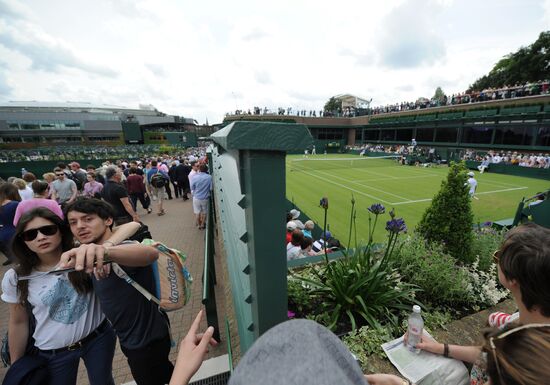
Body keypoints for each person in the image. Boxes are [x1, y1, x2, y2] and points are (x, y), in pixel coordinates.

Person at [63, 197, 174, 385]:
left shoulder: (121, 249)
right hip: (132, 338)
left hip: (145, 340)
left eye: (88, 219)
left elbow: (148, 253)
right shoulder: (88, 251)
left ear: (107, 220)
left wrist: (107, 252)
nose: (79, 226)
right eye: (73, 222)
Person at [1, 208, 117, 385]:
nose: (40, 237)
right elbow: (18, 321)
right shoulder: (16, 277)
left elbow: (130, 227)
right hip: (53, 351)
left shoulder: (84, 255)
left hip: (97, 339)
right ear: (23, 241)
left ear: (61, 231)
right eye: (30, 235)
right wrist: (17, 365)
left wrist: (106, 248)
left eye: (48, 230)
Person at [0, 183, 21, 265]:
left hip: (3, 234)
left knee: (15, 256)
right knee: (22, 257)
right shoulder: (15, 204)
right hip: (16, 233)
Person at [190, 164, 212, 229]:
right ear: (207, 170)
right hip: (205, 197)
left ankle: (199, 225)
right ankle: (203, 224)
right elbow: (211, 188)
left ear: (199, 169)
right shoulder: (209, 177)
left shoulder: (194, 177)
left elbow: (192, 187)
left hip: (196, 197)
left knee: (197, 212)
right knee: (204, 212)